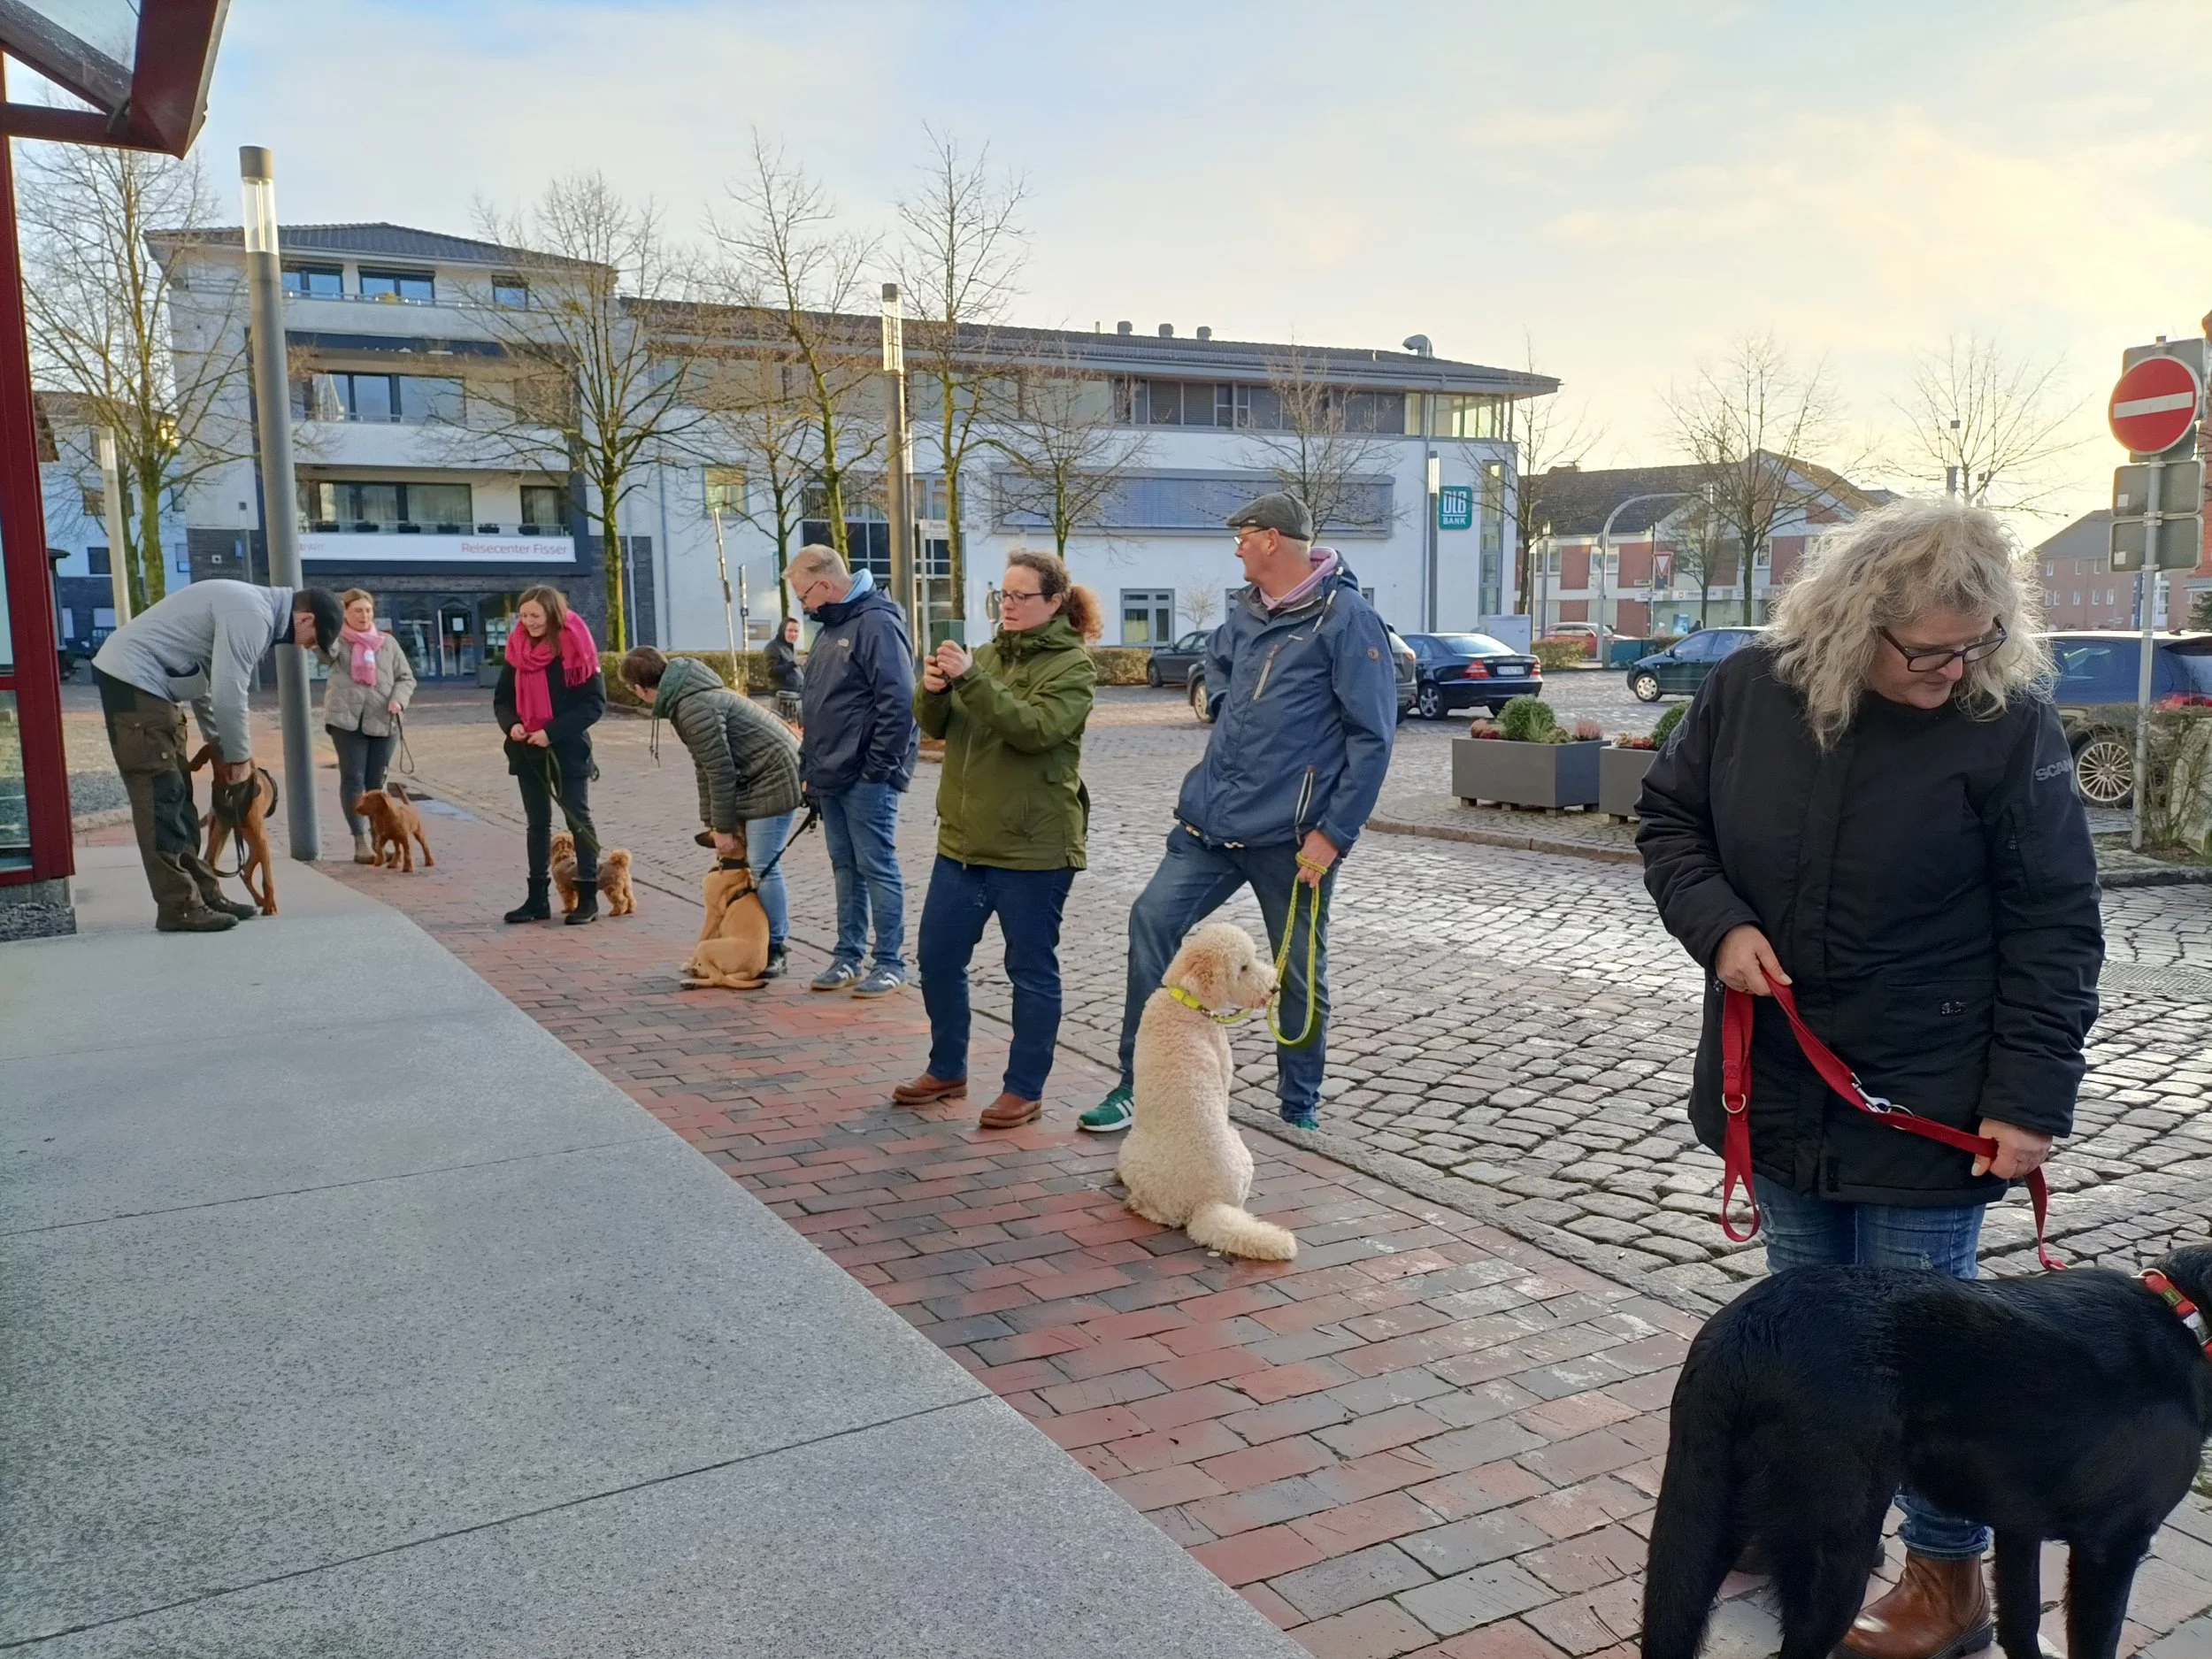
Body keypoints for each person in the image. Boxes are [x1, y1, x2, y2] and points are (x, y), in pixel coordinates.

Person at [1636, 496, 2102, 1659]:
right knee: (1811, 1336)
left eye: (1979, 644)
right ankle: (1808, 1525)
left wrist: (2028, 1099)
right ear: (1855, 620)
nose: (1957, 670)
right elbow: (1669, 820)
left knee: (1926, 1358)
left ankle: (1949, 1579)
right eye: (1931, 650)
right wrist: (1720, 924)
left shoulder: (2008, 722)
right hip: (1780, 1081)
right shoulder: (1749, 689)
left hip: (1933, 1102)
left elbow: (2055, 921)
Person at [1080, 491, 1396, 1134]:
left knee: (1297, 971)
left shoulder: (1346, 619)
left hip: (1292, 838)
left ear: (1273, 539)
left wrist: (1334, 834)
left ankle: (1298, 1108)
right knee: (1152, 919)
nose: (1237, 550)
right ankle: (1139, 1083)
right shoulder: (1248, 610)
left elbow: (1373, 738)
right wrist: (1225, 702)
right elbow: (1216, 660)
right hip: (1210, 824)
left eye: (1244, 538)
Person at [898, 550, 1102, 1128]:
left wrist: (970, 678)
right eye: (1002, 595)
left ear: (1054, 601)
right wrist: (933, 690)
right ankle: (947, 1067)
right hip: (963, 843)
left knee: (1030, 970)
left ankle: (1024, 1089)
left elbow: (1034, 729)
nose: (1008, 605)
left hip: (1033, 847)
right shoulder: (985, 655)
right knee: (938, 957)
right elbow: (936, 727)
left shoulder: (1073, 667)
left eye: (1020, 596)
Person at [90, 580, 343, 932]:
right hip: (136, 682)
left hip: (149, 688)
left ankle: (203, 894)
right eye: (314, 640)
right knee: (160, 799)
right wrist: (239, 759)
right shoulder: (252, 615)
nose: (308, 647)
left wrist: (222, 746)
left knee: (178, 796)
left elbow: (206, 683)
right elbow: (229, 692)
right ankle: (179, 907)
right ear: (305, 619)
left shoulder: (252, 608)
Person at [619, 646, 803, 978]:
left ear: (639, 689)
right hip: (756, 776)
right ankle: (744, 941)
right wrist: (714, 823)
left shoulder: (693, 706)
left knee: (762, 865)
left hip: (774, 777)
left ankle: (775, 947)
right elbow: (704, 767)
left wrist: (723, 827)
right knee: (751, 864)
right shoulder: (686, 697)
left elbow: (719, 771)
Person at [786, 544, 918, 997]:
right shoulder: (832, 627)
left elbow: (900, 702)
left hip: (865, 776)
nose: (803, 606)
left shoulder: (876, 623)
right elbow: (818, 705)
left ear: (825, 584)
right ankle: (848, 957)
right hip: (831, 774)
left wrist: (876, 769)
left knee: (876, 866)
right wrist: (810, 767)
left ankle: (890, 962)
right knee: (845, 867)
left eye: (804, 595)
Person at [493, 587, 606, 926]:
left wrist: (551, 732)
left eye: (535, 616)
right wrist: (512, 724)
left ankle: (588, 897)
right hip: (526, 750)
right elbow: (502, 700)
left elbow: (594, 704)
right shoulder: (516, 649)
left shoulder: (576, 646)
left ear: (552, 615)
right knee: (537, 823)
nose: (528, 622)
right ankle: (537, 898)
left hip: (567, 749)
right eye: (524, 616)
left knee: (577, 819)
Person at [322, 588, 418, 864]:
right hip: (346, 722)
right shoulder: (337, 642)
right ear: (345, 613)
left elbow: (406, 678)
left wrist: (399, 700)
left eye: (368, 610)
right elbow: (324, 653)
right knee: (353, 779)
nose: (364, 616)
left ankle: (379, 840)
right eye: (357, 611)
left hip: (384, 721)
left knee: (377, 784)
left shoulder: (388, 643)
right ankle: (360, 842)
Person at [764, 613, 805, 724]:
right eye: (790, 630)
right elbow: (771, 671)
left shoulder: (788, 647)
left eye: (796, 631)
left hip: (794, 699)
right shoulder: (773, 647)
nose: (793, 634)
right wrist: (794, 663)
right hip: (782, 700)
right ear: (782, 630)